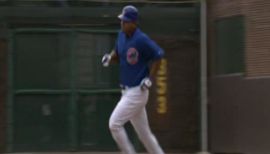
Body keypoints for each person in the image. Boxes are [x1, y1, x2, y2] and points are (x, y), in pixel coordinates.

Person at [101, 5, 165, 154]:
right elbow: (118, 53)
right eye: (122, 20)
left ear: (134, 23)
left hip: (137, 91)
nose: (123, 23)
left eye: (126, 21)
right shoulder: (121, 35)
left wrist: (150, 79)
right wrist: (110, 58)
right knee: (145, 135)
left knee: (114, 124)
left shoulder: (141, 39)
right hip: (126, 91)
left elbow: (158, 56)